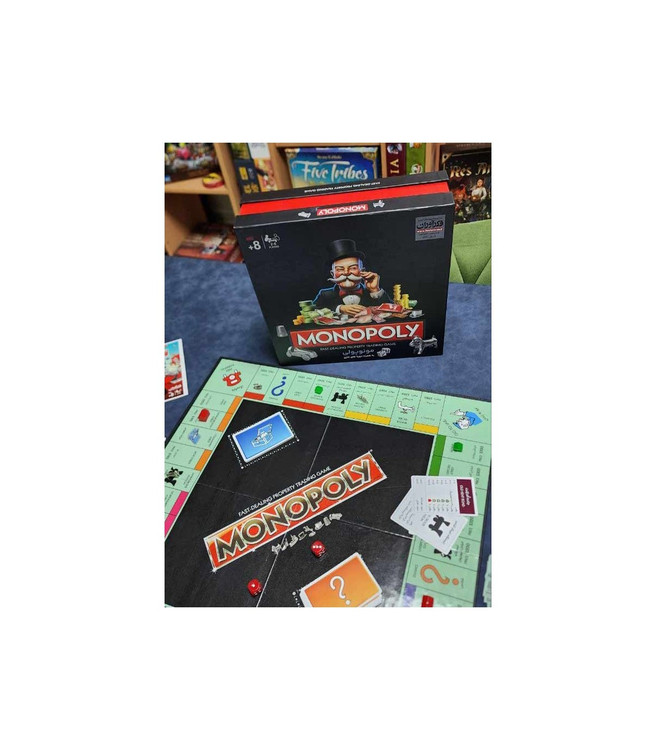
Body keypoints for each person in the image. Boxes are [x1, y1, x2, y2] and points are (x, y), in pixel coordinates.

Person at [312, 239, 390, 316]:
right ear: (333, 274)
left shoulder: (371, 293)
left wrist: (375, 290)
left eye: (353, 268)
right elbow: (311, 313)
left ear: (362, 271)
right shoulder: (325, 295)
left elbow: (392, 311)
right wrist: (339, 308)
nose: (346, 273)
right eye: (340, 269)